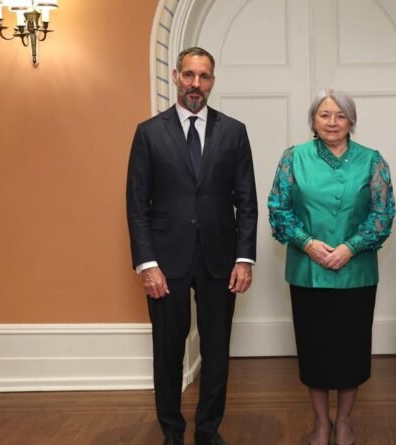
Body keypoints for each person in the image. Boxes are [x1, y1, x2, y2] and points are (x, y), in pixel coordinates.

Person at [126, 47, 258, 445]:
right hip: (166, 263)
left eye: (203, 76)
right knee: (167, 352)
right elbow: (136, 205)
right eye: (189, 75)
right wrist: (147, 264)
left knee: (217, 350)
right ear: (175, 76)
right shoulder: (149, 132)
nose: (195, 84)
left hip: (221, 261)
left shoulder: (234, 132)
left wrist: (244, 257)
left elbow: (247, 201)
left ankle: (208, 430)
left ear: (213, 81)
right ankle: (171, 431)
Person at [268, 89, 395, 445]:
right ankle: (321, 422)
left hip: (356, 273)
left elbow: (383, 214)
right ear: (313, 120)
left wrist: (350, 247)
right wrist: (307, 243)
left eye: (340, 115)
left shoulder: (373, 161)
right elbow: (278, 210)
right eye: (325, 115)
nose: (332, 122)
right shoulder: (293, 158)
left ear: (351, 120)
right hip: (308, 273)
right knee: (315, 351)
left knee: (351, 351)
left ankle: (344, 421)